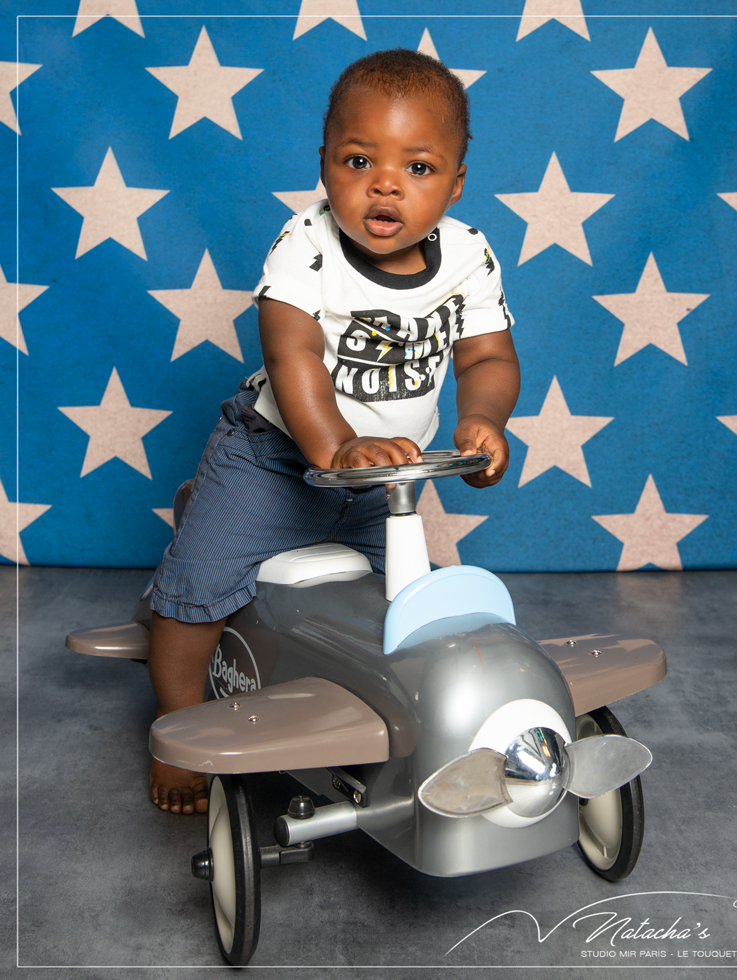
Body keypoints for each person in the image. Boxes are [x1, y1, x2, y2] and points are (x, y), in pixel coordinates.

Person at [147, 48, 521, 813]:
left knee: (414, 614)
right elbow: (295, 356)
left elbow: (488, 354)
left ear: (455, 182)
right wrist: (335, 446)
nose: (385, 183)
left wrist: (482, 418)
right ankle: (177, 730)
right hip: (276, 460)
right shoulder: (306, 247)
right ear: (324, 166)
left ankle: (408, 738)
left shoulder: (470, 255)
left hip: (389, 483)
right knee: (198, 593)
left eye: (418, 168)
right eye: (359, 159)